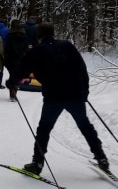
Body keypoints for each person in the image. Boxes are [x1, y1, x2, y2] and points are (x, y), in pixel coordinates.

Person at [19, 22, 110, 173]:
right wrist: (84, 91)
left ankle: (37, 163)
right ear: (53, 33)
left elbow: (23, 69)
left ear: (39, 35)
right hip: (75, 95)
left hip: (54, 97)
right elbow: (82, 68)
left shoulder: (38, 50)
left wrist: (11, 82)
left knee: (44, 129)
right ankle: (101, 157)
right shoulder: (67, 46)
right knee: (85, 126)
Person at [2, 19, 29, 101]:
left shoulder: (9, 36)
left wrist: (5, 57)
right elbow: (26, 48)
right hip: (20, 59)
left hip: (10, 59)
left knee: (13, 75)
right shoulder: (23, 36)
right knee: (17, 76)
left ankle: (12, 91)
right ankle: (13, 92)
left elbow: (6, 48)